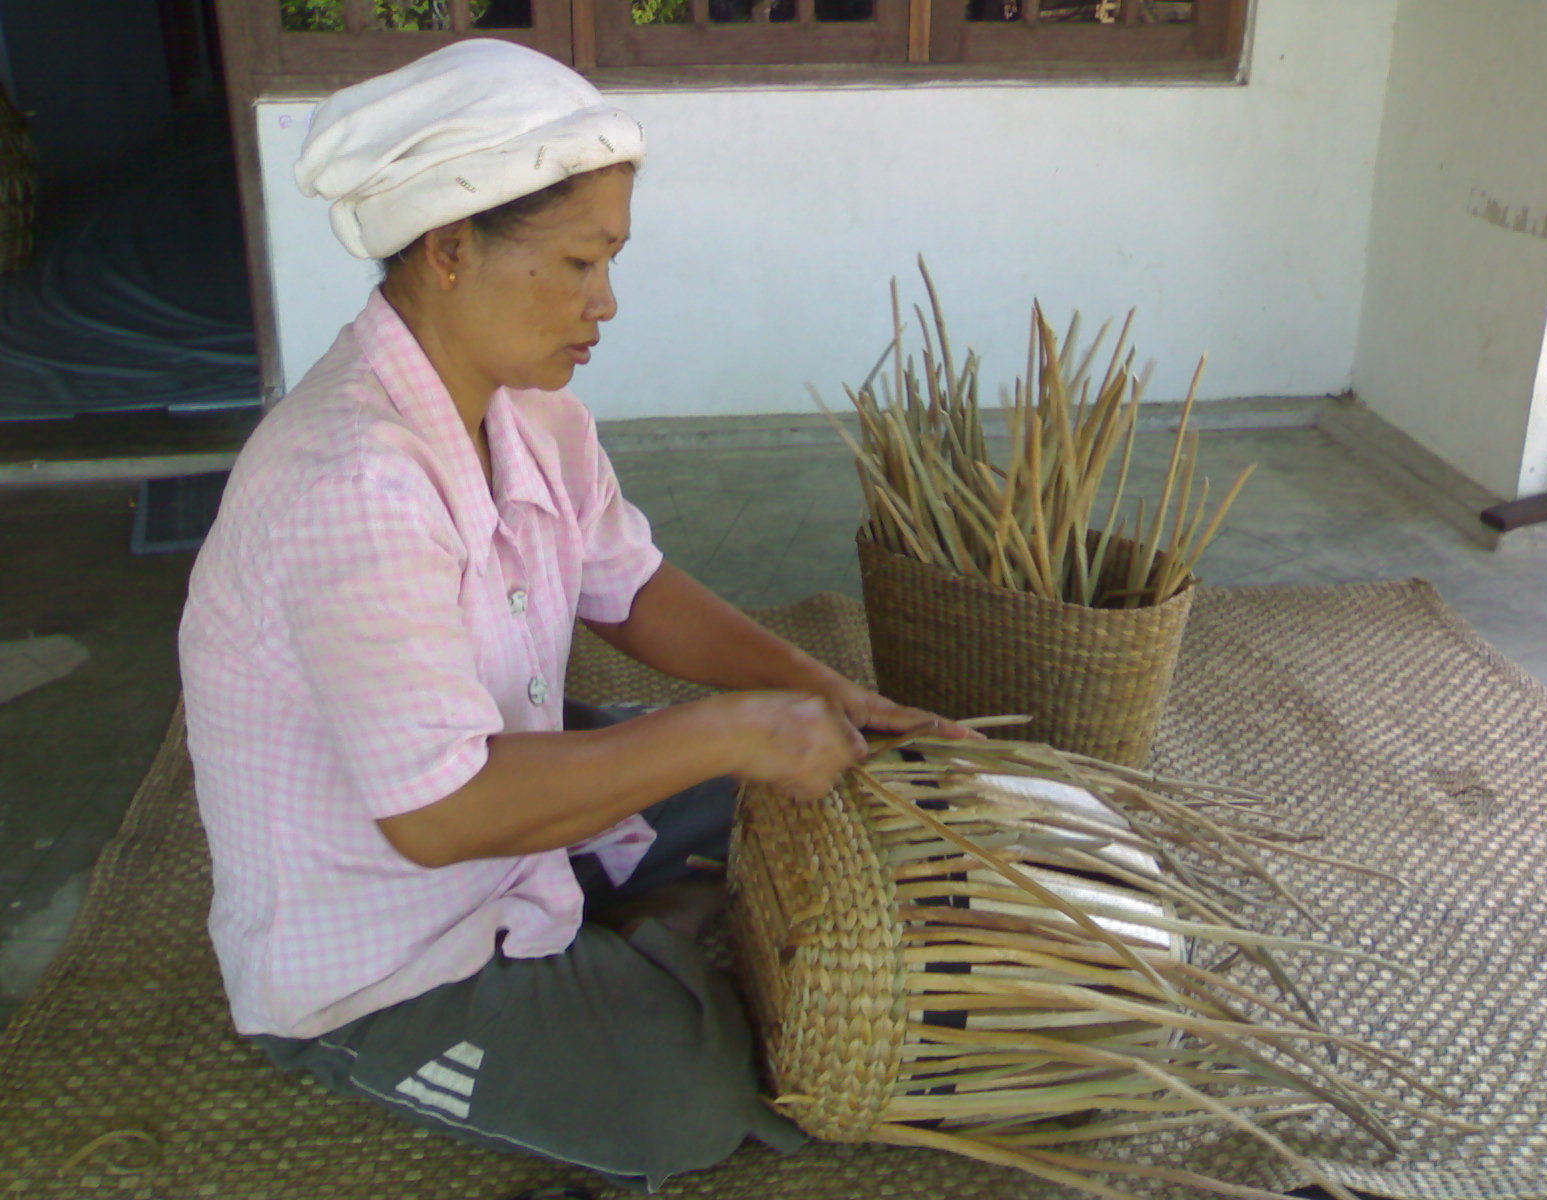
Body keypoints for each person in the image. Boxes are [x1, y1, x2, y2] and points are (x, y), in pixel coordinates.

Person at [177, 38, 972, 1193]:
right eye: (577, 262)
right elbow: (438, 818)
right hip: (391, 934)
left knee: (800, 769)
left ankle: (645, 921)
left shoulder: (535, 415)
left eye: (610, 260)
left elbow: (631, 588)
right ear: (449, 251)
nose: (605, 303)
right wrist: (725, 732)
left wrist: (819, 692)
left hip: (512, 804)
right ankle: (626, 949)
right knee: (682, 1103)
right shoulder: (350, 483)